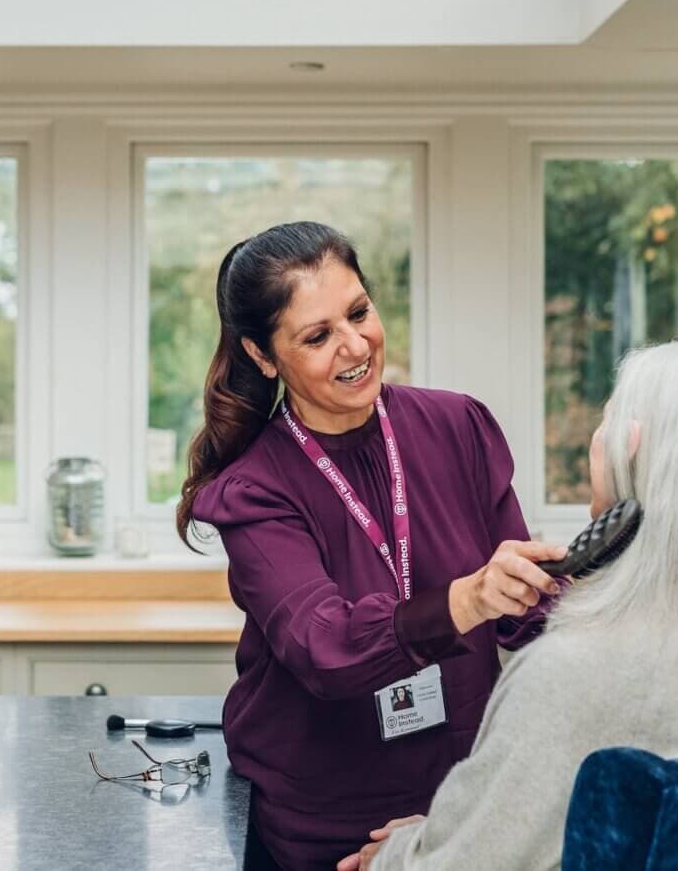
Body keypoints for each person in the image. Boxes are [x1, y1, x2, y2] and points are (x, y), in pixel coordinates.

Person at [341, 339, 678, 871]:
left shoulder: (571, 673)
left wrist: (395, 855)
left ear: (631, 447)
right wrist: (449, 830)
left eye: (604, 422)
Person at [177, 221, 567, 870]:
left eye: (359, 312)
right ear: (264, 355)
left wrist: (575, 584)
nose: (355, 345)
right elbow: (324, 648)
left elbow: (526, 614)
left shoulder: (458, 427)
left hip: (455, 814)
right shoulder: (254, 488)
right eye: (317, 335)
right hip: (322, 830)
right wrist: (466, 599)